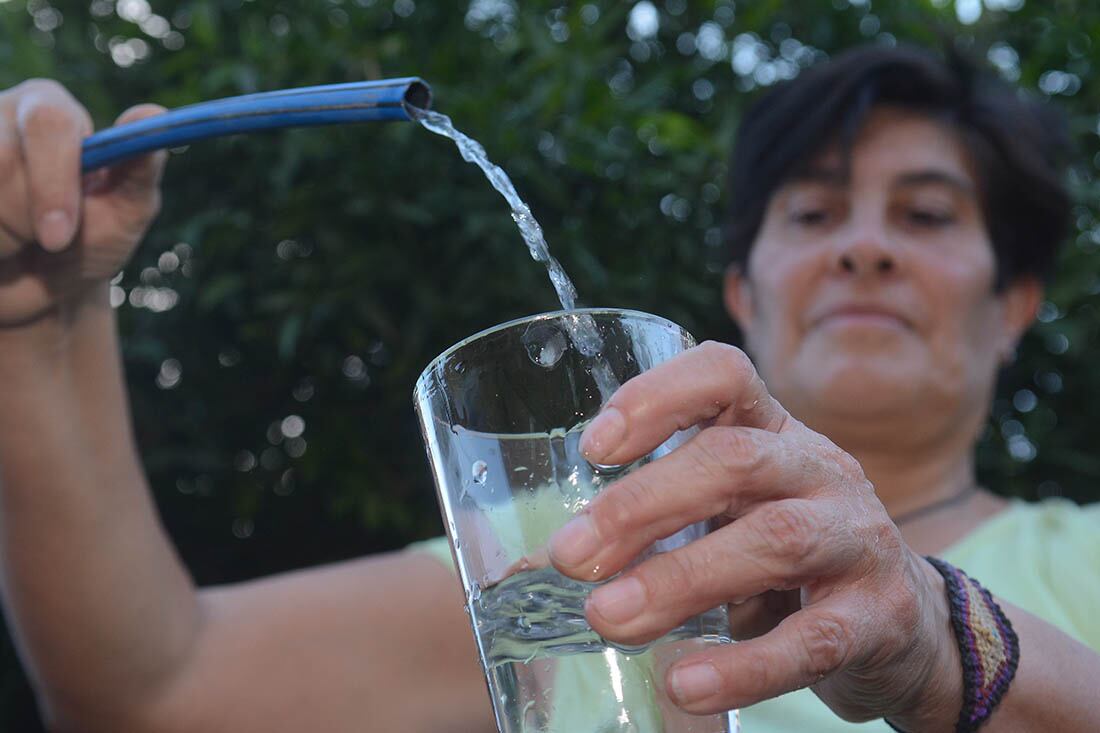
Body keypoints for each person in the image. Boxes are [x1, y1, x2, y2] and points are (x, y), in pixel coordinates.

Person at [0, 42, 1098, 732]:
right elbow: (152, 690)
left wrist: (937, 637)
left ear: (1011, 303)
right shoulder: (582, 546)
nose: (862, 249)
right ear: (741, 297)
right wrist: (44, 313)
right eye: (812, 214)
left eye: (923, 214)